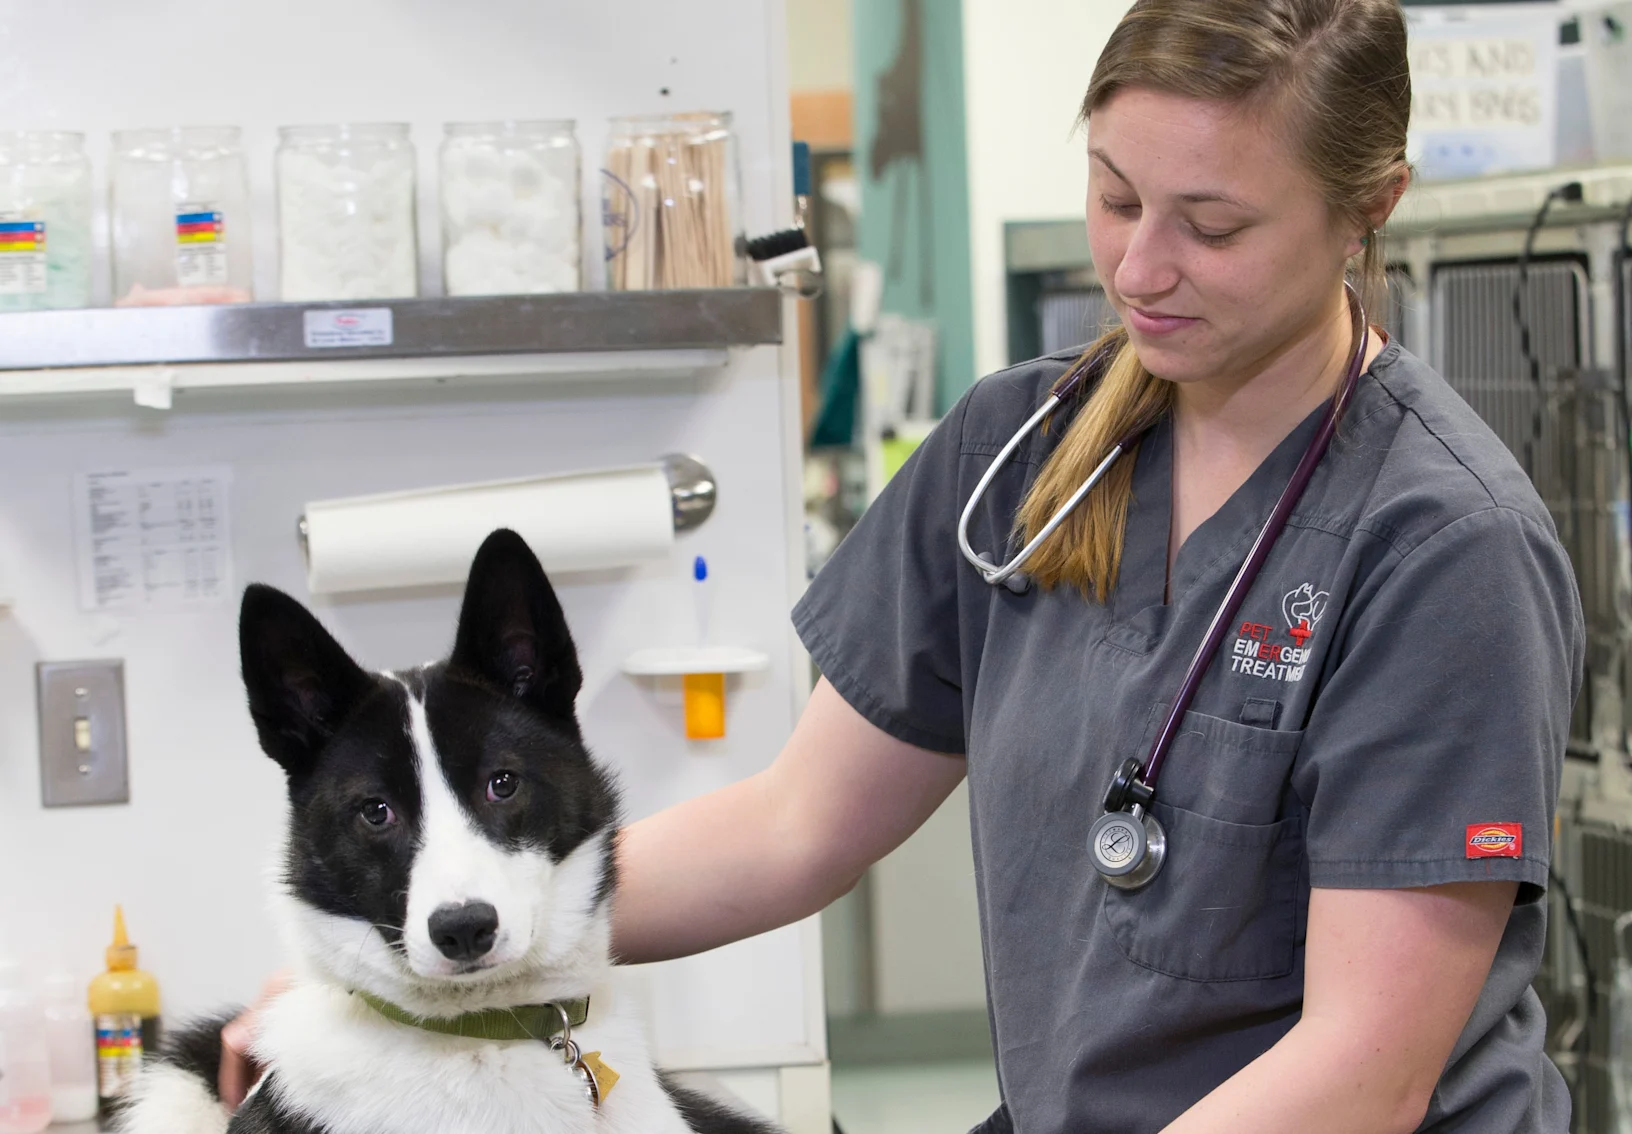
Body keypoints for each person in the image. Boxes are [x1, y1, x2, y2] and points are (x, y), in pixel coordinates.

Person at [223, 0, 1584, 1130]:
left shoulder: (1438, 549)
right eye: (1114, 195)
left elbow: (1370, 1067)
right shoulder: (1025, 453)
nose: (1142, 265)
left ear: (1370, 208)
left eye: (1213, 226)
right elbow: (793, 824)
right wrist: (402, 982)